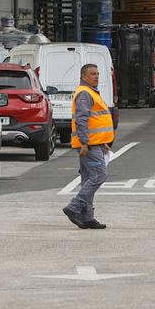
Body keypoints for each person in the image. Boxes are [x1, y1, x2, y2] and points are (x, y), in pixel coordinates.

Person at [62, 63, 114, 230]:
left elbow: (94, 120)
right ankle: (74, 207)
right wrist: (84, 142)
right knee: (99, 176)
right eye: (92, 73)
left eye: (97, 73)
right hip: (89, 145)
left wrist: (102, 142)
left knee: (87, 179)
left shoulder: (91, 92)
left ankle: (87, 217)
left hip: (95, 143)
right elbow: (82, 119)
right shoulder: (85, 93)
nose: (96, 76)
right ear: (84, 76)